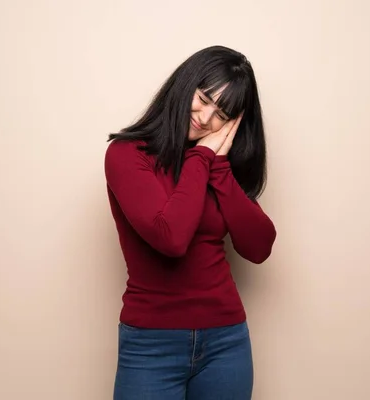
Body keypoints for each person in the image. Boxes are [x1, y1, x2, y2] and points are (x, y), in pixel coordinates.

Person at [104, 45, 277, 400]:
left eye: (222, 112)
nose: (205, 117)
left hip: (226, 342)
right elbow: (171, 237)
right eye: (203, 98)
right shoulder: (126, 155)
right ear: (184, 86)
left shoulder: (218, 166)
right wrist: (203, 157)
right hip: (151, 345)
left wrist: (219, 167)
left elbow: (259, 247)